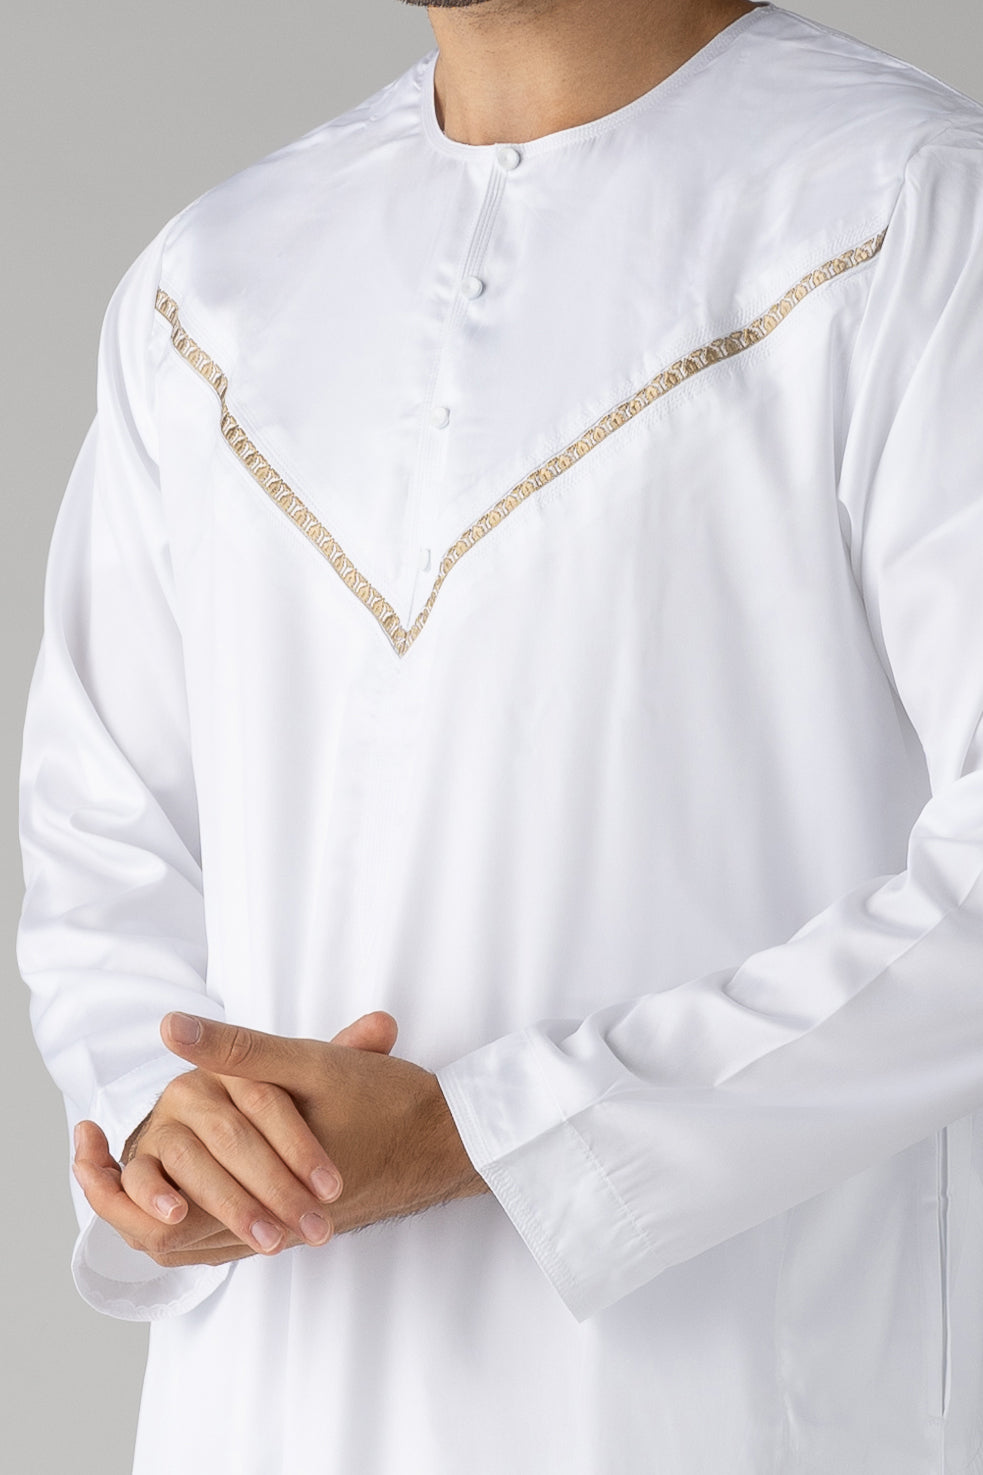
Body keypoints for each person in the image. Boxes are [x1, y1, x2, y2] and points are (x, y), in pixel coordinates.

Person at [16, 0, 983, 1469]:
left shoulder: (905, 213)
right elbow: (102, 844)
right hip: (262, 1409)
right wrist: (171, 1115)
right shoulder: (211, 286)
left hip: (710, 1408)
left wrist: (495, 1131)